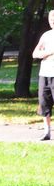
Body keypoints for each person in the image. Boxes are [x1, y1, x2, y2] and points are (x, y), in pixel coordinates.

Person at [32, 9, 54, 141]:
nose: (52, 22)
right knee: (44, 103)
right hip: (44, 74)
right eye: (51, 20)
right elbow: (35, 53)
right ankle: (47, 132)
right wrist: (48, 52)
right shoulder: (46, 35)